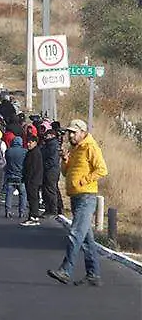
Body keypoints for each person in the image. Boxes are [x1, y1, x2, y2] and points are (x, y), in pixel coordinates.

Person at [47, 119, 109, 286]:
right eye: (70, 132)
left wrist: (84, 181)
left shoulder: (90, 147)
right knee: (87, 239)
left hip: (86, 196)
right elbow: (67, 173)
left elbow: (102, 169)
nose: (71, 135)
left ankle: (65, 270)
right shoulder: (75, 149)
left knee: (75, 234)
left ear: (83, 132)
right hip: (76, 196)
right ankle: (93, 274)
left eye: (74, 132)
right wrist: (65, 160)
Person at [41, 122, 64, 215]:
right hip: (49, 170)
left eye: (47, 135)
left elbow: (52, 160)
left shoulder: (53, 145)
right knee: (48, 189)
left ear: (51, 135)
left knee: (51, 190)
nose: (45, 137)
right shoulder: (48, 144)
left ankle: (53, 210)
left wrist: (44, 166)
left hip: (51, 171)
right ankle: (50, 208)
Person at [22, 133, 44, 226]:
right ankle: (32, 215)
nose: (28, 144)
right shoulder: (31, 152)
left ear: (35, 143)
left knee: (33, 199)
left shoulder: (35, 153)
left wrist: (28, 178)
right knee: (32, 199)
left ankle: (34, 217)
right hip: (32, 179)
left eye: (30, 142)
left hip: (33, 180)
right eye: (27, 142)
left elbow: (32, 168)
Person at [3, 136, 27, 219]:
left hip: (10, 175)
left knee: (9, 194)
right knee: (22, 194)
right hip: (20, 176)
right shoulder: (24, 152)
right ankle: (22, 211)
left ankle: (8, 210)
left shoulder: (8, 151)